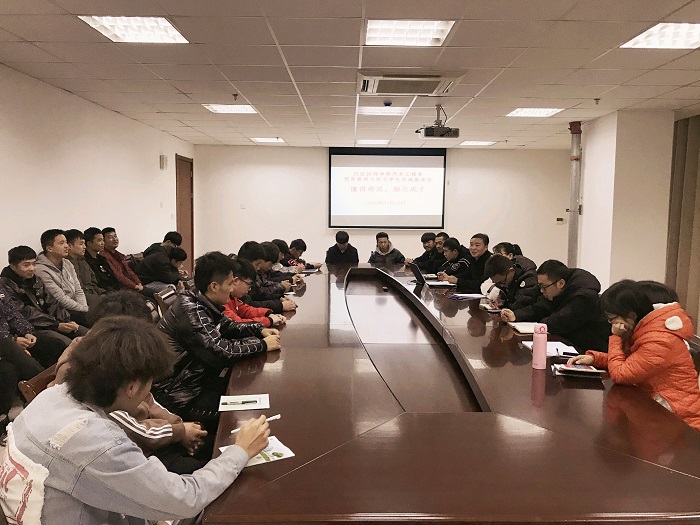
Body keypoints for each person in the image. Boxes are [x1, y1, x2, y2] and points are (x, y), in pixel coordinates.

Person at [0, 315, 271, 525]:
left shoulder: (51, 398)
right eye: (150, 382)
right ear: (132, 387)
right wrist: (240, 450)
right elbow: (185, 499)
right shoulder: (97, 441)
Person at [151, 251, 281, 421]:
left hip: (200, 382)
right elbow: (220, 352)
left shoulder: (201, 301)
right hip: (181, 397)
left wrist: (259, 329)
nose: (232, 289)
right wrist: (262, 345)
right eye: (229, 283)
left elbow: (228, 326)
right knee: (248, 416)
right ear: (214, 286)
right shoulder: (191, 311)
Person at [568, 280, 700, 431]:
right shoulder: (649, 331)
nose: (610, 323)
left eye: (611, 318)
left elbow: (620, 374)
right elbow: (633, 362)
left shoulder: (661, 340)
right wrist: (596, 359)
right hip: (657, 409)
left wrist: (616, 337)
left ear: (631, 315)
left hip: (679, 423)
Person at [0, 246, 86, 366]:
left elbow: (53, 303)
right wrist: (56, 325)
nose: (32, 268)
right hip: (34, 327)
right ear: (13, 266)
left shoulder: (36, 280)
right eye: (26, 265)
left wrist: (65, 320)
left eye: (34, 264)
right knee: (64, 344)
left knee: (86, 334)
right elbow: (25, 313)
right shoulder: (5, 286)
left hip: (49, 322)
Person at [501, 259, 610, 352]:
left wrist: (542, 322)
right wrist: (516, 315)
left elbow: (558, 322)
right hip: (569, 345)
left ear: (561, 283)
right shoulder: (559, 290)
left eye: (544, 287)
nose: (541, 291)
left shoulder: (584, 297)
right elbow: (541, 307)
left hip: (589, 350)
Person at [34, 229, 90, 327]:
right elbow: (59, 298)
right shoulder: (40, 270)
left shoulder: (67, 263)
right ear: (49, 248)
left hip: (77, 308)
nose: (66, 246)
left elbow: (78, 290)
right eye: (61, 243)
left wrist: (84, 308)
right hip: (60, 312)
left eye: (66, 242)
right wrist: (84, 310)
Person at [237, 241, 297, 314]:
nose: (258, 268)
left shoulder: (250, 274)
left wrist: (279, 298)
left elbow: (260, 292)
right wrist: (279, 305)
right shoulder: (240, 277)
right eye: (257, 264)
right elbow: (250, 304)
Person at [224, 258, 286, 328]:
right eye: (249, 284)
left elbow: (247, 310)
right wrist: (269, 320)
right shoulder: (222, 300)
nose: (249, 289)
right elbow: (238, 324)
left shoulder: (233, 297)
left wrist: (268, 313)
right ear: (236, 281)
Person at [65, 228, 106, 307]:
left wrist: (103, 293)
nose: (84, 247)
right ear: (69, 246)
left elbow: (93, 282)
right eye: (81, 244)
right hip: (83, 301)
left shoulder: (83, 261)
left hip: (94, 295)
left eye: (84, 244)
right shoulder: (66, 264)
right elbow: (77, 290)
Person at [101, 227, 144, 292]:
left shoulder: (120, 255)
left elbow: (129, 271)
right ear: (104, 241)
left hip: (132, 286)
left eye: (115, 236)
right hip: (121, 289)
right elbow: (117, 275)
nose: (114, 239)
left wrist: (138, 282)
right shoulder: (104, 256)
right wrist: (134, 286)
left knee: (154, 292)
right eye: (110, 237)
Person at [83, 227, 120, 292]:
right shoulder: (85, 261)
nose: (103, 243)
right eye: (99, 240)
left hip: (114, 291)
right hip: (101, 293)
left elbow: (113, 278)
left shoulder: (102, 259)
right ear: (89, 243)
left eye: (103, 240)